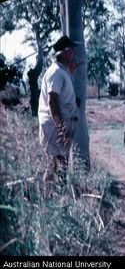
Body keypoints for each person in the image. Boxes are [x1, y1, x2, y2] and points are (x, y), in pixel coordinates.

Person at [38, 36, 80, 188]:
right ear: (64, 52)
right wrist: (61, 127)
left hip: (58, 125)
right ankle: (50, 198)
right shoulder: (56, 72)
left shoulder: (63, 71)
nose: (75, 52)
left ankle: (57, 197)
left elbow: (63, 98)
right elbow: (52, 102)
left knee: (60, 164)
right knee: (55, 164)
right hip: (54, 126)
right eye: (72, 50)